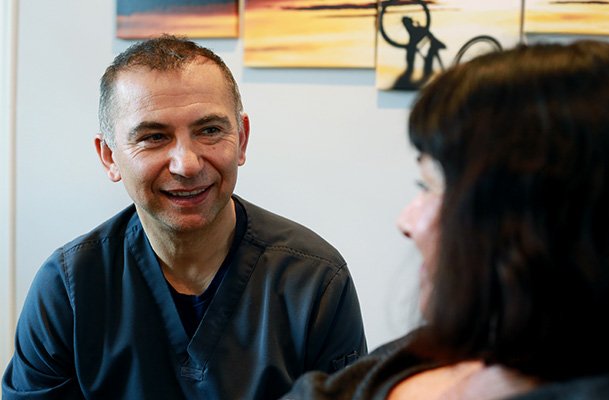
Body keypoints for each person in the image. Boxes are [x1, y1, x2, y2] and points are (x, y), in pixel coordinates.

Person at [2, 35, 367, 399]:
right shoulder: (70, 287)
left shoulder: (315, 281)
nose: (187, 165)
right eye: (154, 137)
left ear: (241, 139)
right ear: (109, 156)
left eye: (209, 131)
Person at [282, 40, 609, 399]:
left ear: (537, 220)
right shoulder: (436, 349)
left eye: (435, 188)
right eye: (421, 185)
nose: (408, 222)